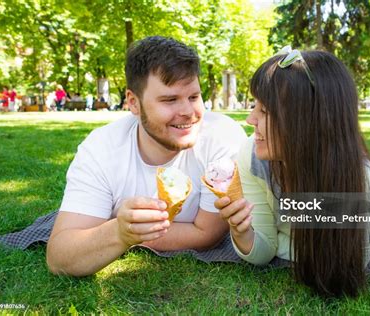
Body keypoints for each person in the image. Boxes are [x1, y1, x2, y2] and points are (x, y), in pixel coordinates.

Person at [46, 36, 247, 276]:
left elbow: (207, 235)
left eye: (194, 97)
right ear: (133, 103)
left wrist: (118, 232)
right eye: (170, 100)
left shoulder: (222, 137)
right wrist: (120, 232)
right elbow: (59, 258)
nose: (188, 112)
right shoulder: (101, 149)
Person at [215, 48, 370, 297]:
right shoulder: (252, 155)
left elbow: (343, 267)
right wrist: (242, 232)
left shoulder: (365, 189)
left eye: (265, 111)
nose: (250, 119)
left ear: (309, 121)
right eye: (255, 105)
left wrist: (280, 244)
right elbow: (262, 250)